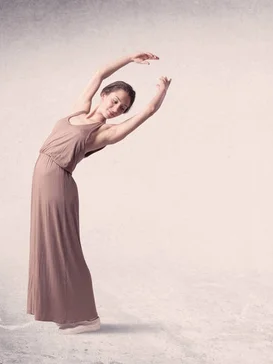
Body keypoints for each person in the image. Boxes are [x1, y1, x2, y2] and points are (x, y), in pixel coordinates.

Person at [27, 52, 171, 334]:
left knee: (64, 249)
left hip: (58, 185)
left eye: (123, 107)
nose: (117, 108)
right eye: (115, 100)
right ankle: (64, 312)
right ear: (104, 96)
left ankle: (86, 317)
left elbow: (147, 112)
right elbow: (99, 73)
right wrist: (130, 58)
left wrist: (161, 91)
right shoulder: (79, 110)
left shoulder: (103, 133)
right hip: (41, 184)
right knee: (46, 247)